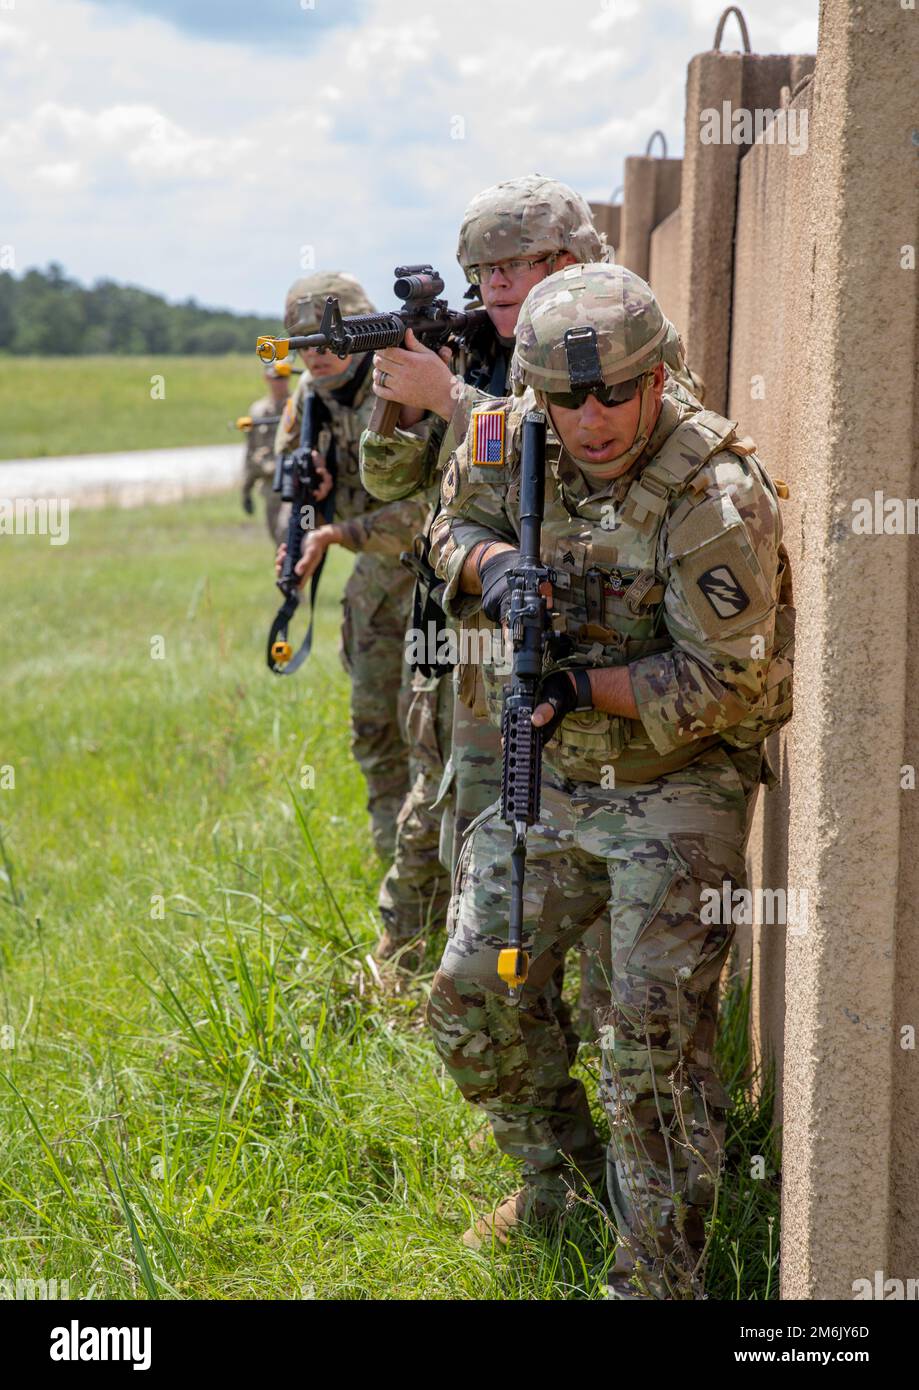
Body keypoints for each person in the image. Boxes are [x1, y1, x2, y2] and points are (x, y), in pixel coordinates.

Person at [427, 262, 793, 1296]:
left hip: (679, 776)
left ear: (657, 374)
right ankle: (560, 1181)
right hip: (556, 769)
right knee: (467, 1000)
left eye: (613, 392)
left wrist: (583, 685)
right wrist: (490, 568)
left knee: (646, 1043)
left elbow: (729, 680)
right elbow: (442, 533)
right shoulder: (509, 436)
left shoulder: (711, 493)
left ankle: (659, 1274)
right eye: (567, 396)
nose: (590, 418)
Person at [360, 175, 611, 989]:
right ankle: (432, 984)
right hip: (454, 624)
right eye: (484, 268)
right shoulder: (470, 345)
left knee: (529, 837)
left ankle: (519, 1002)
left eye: (518, 263)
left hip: (552, 635)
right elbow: (390, 478)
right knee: (447, 813)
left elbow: (571, 456)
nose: (496, 283)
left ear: (569, 261)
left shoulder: (603, 343)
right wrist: (397, 402)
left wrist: (448, 396)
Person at [273, 273, 421, 868]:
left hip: (439, 581)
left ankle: (438, 890)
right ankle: (397, 874)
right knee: (374, 731)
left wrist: (341, 531)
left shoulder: (401, 385)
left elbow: (434, 506)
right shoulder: (307, 399)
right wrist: (318, 511)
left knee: (429, 741)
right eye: (303, 342)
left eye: (329, 338)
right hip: (376, 587)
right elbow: (295, 496)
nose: (317, 353)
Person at [240, 360, 291, 541]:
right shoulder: (258, 411)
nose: (280, 382)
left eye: (284, 378)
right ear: (266, 378)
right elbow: (251, 451)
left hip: (295, 484)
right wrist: (246, 490)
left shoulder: (298, 406)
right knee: (278, 539)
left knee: (294, 538)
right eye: (276, 378)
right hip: (270, 487)